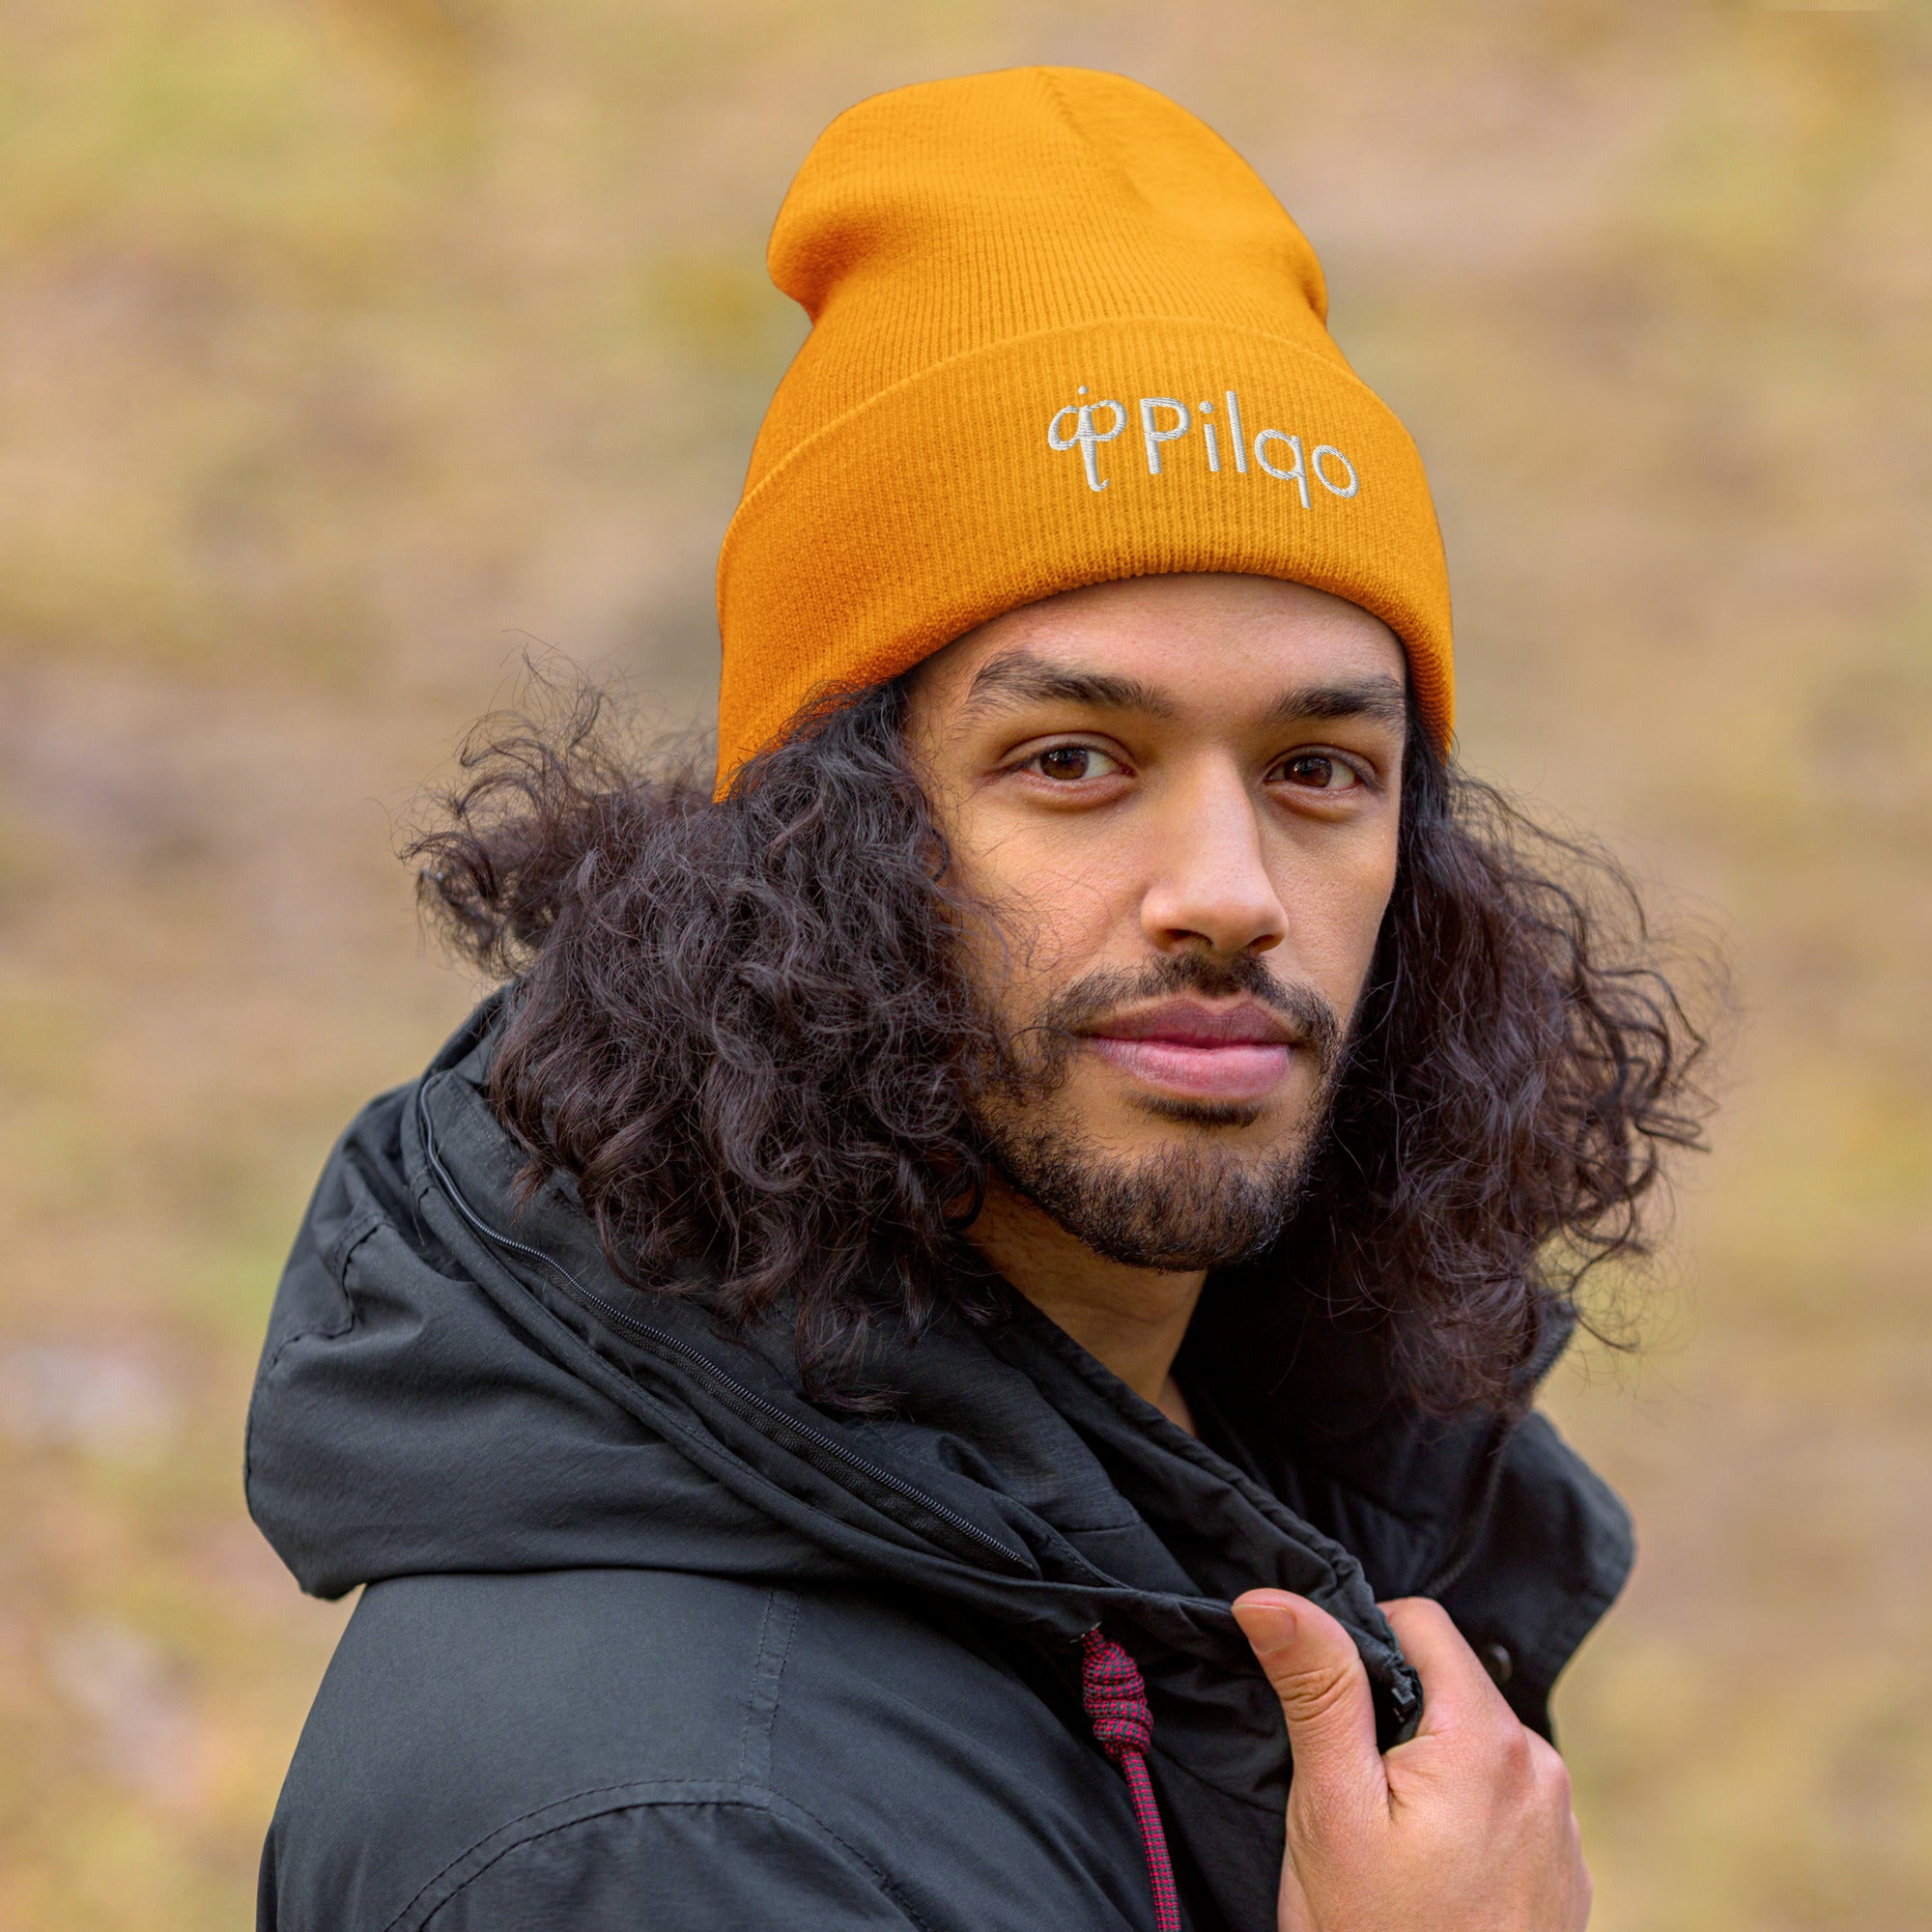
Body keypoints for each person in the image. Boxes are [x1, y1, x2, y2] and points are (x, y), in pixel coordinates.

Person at [248, 67, 1709, 1932]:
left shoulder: (1238, 1480)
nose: (1231, 896)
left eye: (1320, 769)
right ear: (821, 847)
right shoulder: (666, 1834)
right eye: (1076, 760)